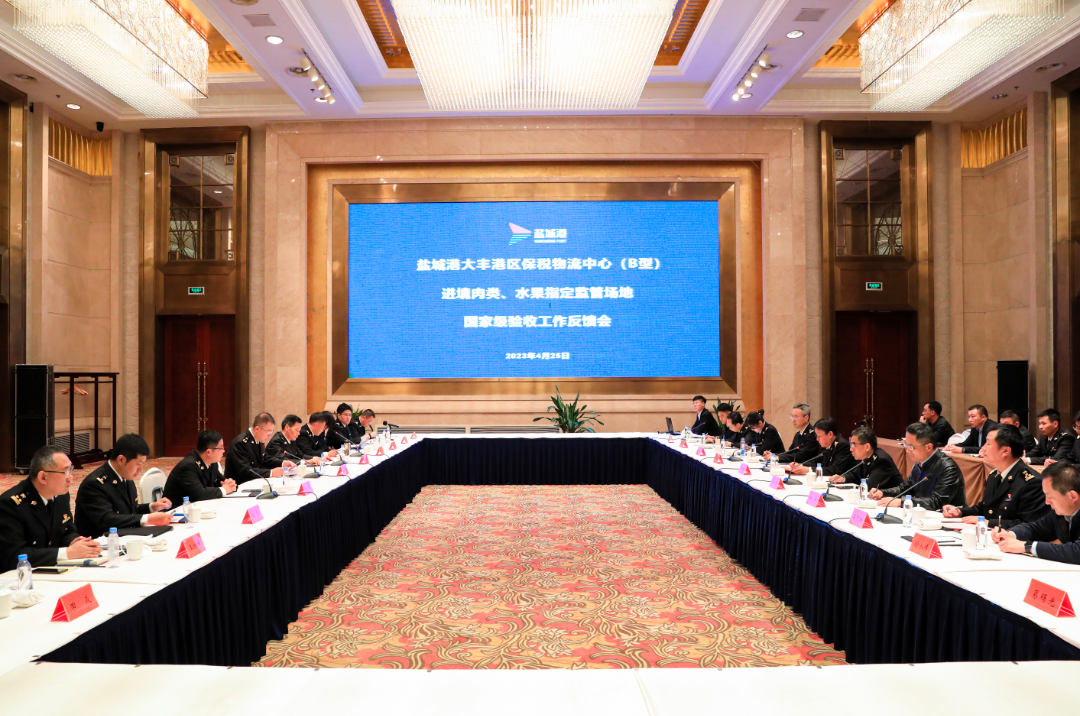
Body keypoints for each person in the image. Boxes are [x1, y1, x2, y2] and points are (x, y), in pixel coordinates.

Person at [0, 445, 101, 571]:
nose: (71, 477)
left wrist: (74, 542)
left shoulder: (60, 495)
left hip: (51, 569)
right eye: (65, 472)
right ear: (43, 477)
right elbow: (13, 556)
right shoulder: (11, 504)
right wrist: (67, 553)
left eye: (71, 470)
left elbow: (67, 530)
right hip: (17, 577)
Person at [941, 425, 1048, 528]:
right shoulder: (995, 475)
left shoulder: (1031, 482)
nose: (983, 448)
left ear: (1005, 451)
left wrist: (989, 523)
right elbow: (985, 508)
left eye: (988, 444)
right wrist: (960, 512)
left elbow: (1030, 525)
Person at [74, 433, 172, 538]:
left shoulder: (125, 475)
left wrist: (151, 507)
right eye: (138, 464)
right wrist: (148, 519)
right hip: (100, 542)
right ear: (121, 460)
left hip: (123, 537)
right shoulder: (94, 484)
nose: (141, 469)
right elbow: (107, 520)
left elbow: (128, 511)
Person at [994, 462, 1080, 564]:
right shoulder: (1059, 513)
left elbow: (1076, 551)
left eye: (1050, 496)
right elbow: (1035, 529)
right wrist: (1011, 534)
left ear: (1072, 496)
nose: (1047, 502)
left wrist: (1027, 547)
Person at [870, 422, 965, 511]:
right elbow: (906, 488)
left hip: (948, 518)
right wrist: (883, 492)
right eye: (906, 445)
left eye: (911, 447)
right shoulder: (919, 464)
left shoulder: (948, 468)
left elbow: (938, 502)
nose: (907, 451)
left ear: (928, 447)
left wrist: (901, 502)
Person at [165, 430, 240, 506]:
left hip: (196, 506)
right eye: (221, 448)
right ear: (208, 452)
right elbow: (200, 494)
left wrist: (230, 484)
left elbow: (220, 481)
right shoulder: (188, 466)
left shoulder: (212, 463)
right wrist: (224, 489)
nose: (223, 451)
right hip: (177, 509)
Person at [224, 413, 292, 485]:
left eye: (271, 431)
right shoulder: (241, 443)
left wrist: (282, 463)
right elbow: (245, 471)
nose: (269, 435)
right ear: (257, 429)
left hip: (255, 482)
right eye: (268, 431)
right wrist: (271, 473)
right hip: (239, 485)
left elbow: (265, 458)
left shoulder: (258, 438)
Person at [832, 426, 902, 489]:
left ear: (867, 447)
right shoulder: (864, 457)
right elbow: (855, 475)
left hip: (892, 498)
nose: (851, 449)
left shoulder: (882, 461)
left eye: (854, 445)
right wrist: (843, 478)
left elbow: (869, 487)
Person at [788, 418, 854, 477]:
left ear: (830, 434)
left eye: (819, 436)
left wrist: (808, 470)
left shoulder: (843, 445)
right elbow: (815, 461)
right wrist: (800, 465)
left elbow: (835, 470)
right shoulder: (825, 444)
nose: (817, 439)